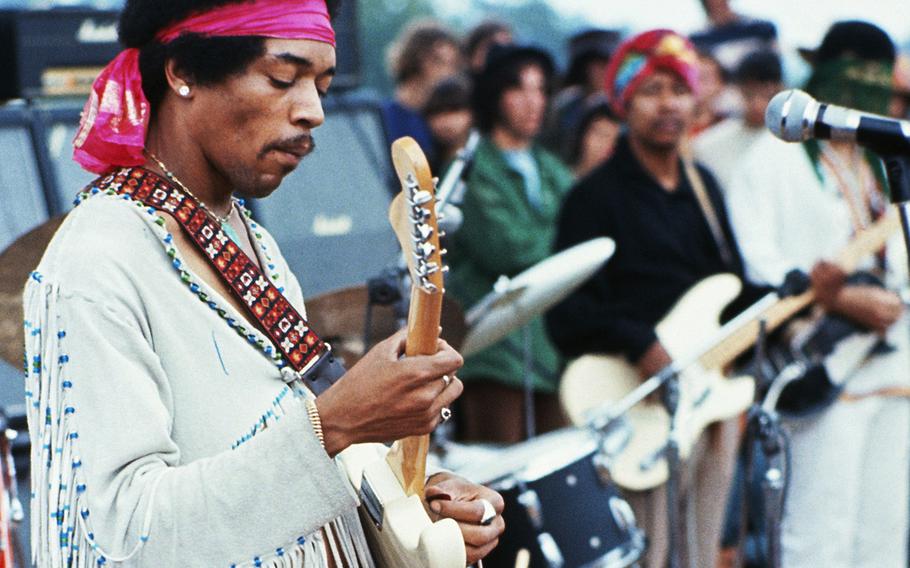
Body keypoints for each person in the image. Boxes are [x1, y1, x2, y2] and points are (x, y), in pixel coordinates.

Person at [23, 1, 505, 566]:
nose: (313, 111)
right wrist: (335, 423)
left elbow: (282, 493)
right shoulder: (97, 260)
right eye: (283, 78)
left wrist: (413, 515)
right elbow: (122, 538)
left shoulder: (254, 245)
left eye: (322, 85)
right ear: (181, 72)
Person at [546, 29, 765, 568]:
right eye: (651, 91)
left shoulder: (704, 188)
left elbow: (730, 289)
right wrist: (638, 341)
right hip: (637, 404)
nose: (668, 104)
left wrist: (796, 295)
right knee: (646, 554)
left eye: (679, 90)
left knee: (699, 552)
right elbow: (567, 314)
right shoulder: (592, 199)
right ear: (623, 102)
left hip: (707, 405)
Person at [726, 21, 909, 568]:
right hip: (821, 363)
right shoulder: (772, 155)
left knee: (883, 533)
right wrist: (839, 297)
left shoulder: (884, 156)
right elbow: (758, 258)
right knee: (818, 532)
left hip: (894, 363)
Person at [447, 44, 574, 444]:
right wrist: (566, 242)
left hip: (553, 350)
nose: (533, 102)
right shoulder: (472, 167)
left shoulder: (549, 166)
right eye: (520, 89)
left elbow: (584, 227)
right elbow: (507, 249)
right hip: (495, 353)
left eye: (541, 90)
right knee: (498, 475)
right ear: (496, 95)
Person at [693, 49, 783, 193]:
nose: (757, 105)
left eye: (767, 95)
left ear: (781, 90)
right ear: (738, 89)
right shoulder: (707, 145)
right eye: (749, 95)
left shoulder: (793, 144)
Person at [381, 19, 462, 169]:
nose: (447, 73)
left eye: (452, 64)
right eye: (438, 61)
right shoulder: (383, 117)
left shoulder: (438, 123)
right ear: (414, 59)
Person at [422, 74, 474, 173]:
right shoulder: (425, 165)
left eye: (454, 111)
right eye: (437, 113)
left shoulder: (486, 157)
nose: (445, 121)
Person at [566, 97, 621, 179]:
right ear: (583, 135)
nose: (606, 145)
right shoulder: (557, 180)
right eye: (601, 135)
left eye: (615, 141)